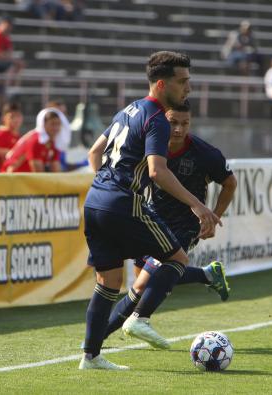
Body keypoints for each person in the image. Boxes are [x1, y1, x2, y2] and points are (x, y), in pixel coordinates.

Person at [80, 51, 221, 370]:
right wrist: (198, 206)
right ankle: (140, 318)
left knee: (108, 281)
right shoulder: (156, 118)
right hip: (120, 200)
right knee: (178, 258)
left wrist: (104, 182)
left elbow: (94, 151)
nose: (188, 89)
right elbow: (158, 171)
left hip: (95, 199)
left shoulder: (127, 110)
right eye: (182, 82)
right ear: (162, 84)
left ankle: (91, 356)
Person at [103, 101, 236, 340]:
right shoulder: (150, 146)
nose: (178, 129)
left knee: (144, 284)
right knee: (146, 282)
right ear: (162, 121)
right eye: (172, 122)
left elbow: (230, 183)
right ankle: (207, 275)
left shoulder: (205, 153)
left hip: (185, 226)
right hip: (150, 221)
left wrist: (214, 216)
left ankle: (103, 337)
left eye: (185, 123)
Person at [0, 102, 23, 169]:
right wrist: (7, 152)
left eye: (18, 116)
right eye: (12, 116)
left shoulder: (18, 136)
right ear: (3, 118)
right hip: (3, 176)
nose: (16, 120)